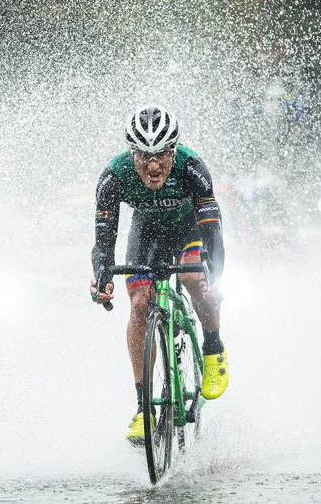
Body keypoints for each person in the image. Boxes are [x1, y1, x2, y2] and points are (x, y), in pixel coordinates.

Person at [90, 104, 228, 443]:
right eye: (143, 156)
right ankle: (143, 408)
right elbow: (104, 239)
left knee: (194, 280)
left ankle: (213, 347)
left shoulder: (191, 167)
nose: (153, 166)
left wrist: (214, 276)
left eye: (162, 155)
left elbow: (212, 229)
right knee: (139, 304)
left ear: (174, 150)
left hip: (189, 228)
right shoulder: (114, 176)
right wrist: (102, 277)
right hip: (147, 232)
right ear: (131, 153)